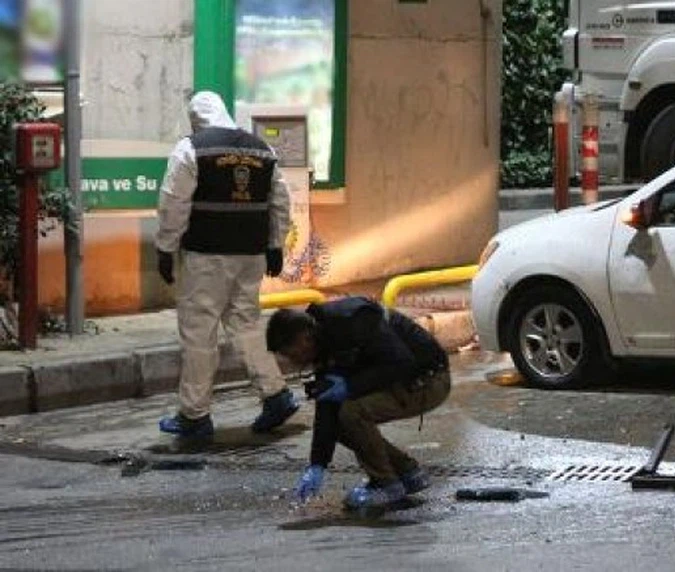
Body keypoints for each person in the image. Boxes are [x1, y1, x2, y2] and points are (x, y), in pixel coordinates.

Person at [154, 91, 297, 438]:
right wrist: (275, 245)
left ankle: (194, 415)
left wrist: (164, 247)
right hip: (250, 256)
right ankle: (276, 394)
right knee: (245, 324)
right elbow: (280, 201)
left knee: (200, 332)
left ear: (197, 119)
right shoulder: (262, 150)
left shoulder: (191, 148)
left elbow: (174, 203)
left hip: (207, 256)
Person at [266, 297, 452, 510]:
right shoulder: (324, 338)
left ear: (303, 339)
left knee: (352, 411)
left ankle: (386, 484)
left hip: (429, 380)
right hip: (402, 380)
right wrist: (317, 464)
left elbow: (402, 362)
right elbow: (327, 407)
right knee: (340, 417)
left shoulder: (353, 321)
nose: (292, 362)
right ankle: (406, 472)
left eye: (291, 354)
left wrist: (351, 386)